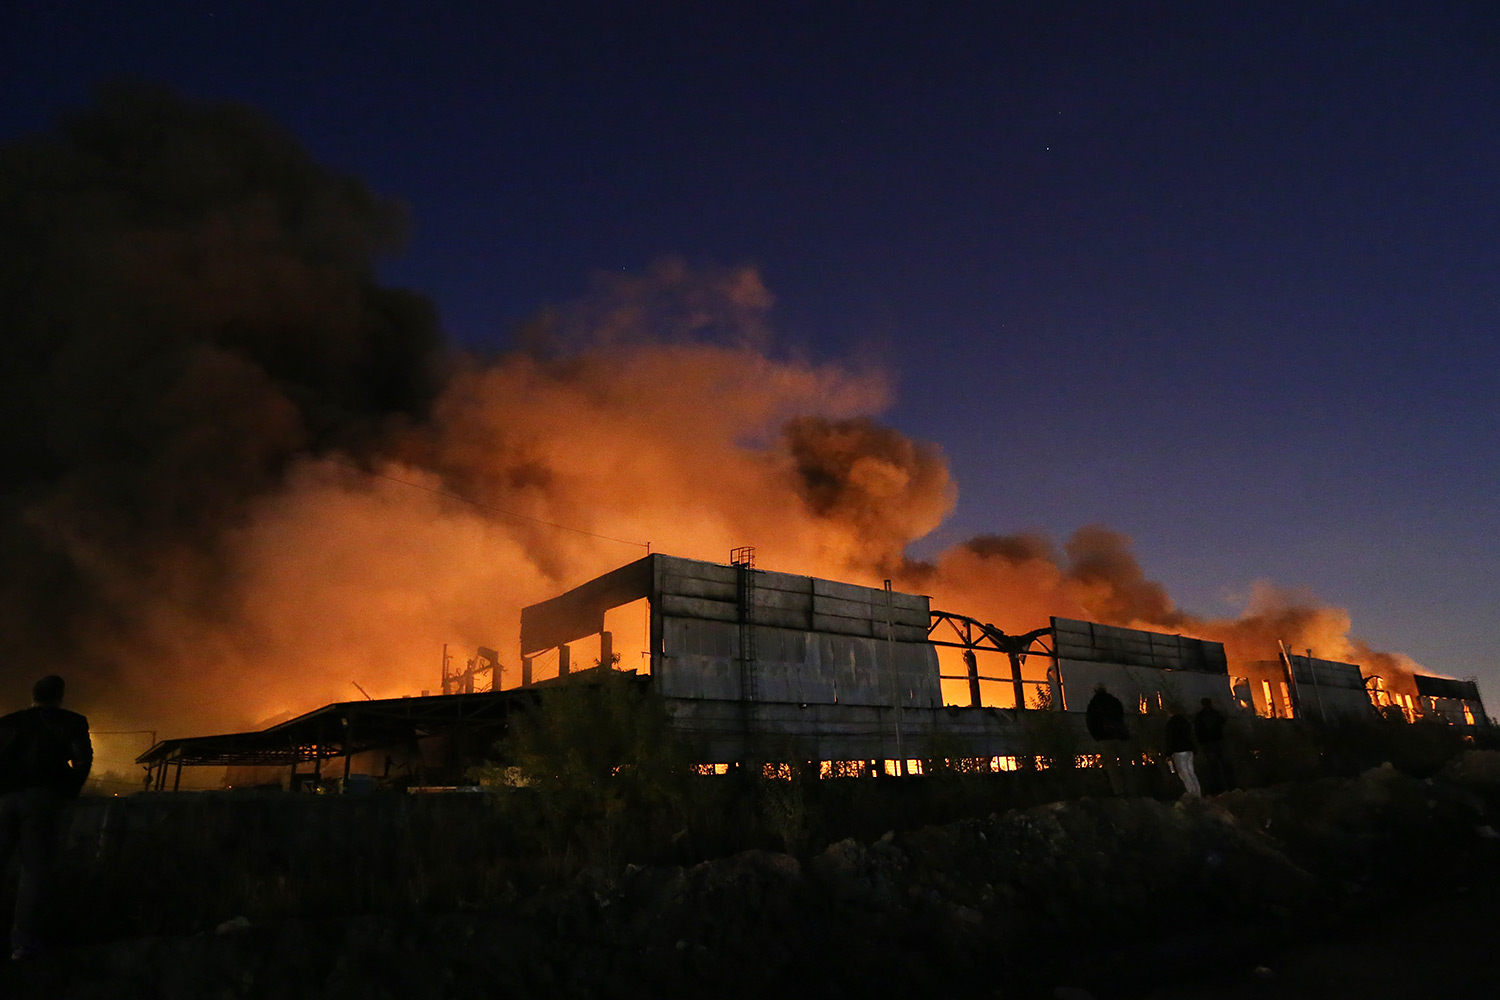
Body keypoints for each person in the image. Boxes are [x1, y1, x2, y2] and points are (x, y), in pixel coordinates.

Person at [0, 675, 93, 960]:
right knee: (35, 872)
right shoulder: (72, 722)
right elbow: (83, 761)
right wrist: (66, 791)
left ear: (33, 694)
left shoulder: (8, 722)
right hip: (43, 801)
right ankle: (24, 944)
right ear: (60, 695)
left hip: (3, 799)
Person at [1085, 683, 1132, 795]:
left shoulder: (1093, 704)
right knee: (1126, 765)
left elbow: (1091, 722)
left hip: (1105, 738)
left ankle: (1119, 792)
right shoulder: (1114, 701)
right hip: (1120, 736)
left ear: (1095, 690)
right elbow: (1121, 715)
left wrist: (1097, 736)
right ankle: (1131, 790)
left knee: (1112, 767)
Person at [1194, 696, 1234, 794]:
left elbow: (1198, 731)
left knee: (1213, 766)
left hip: (1209, 743)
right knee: (1222, 764)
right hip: (1217, 741)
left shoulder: (1200, 716)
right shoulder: (1216, 714)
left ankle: (1218, 788)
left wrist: (1201, 742)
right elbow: (1224, 723)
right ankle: (1227, 786)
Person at [1164, 708, 1201, 798]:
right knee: (1191, 772)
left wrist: (1168, 754)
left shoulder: (1170, 723)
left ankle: (1191, 794)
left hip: (1178, 751)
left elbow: (1169, 739)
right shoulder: (1186, 721)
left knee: (1183, 773)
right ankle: (1198, 793)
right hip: (1189, 749)